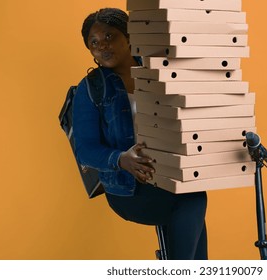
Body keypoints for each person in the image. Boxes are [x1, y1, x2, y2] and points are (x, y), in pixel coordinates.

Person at [72, 8, 208, 260]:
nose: (102, 46)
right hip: (129, 189)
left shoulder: (160, 73)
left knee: (191, 205)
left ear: (130, 36)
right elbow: (85, 151)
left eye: (110, 37)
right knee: (192, 198)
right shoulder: (91, 88)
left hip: (169, 175)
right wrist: (122, 159)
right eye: (94, 43)